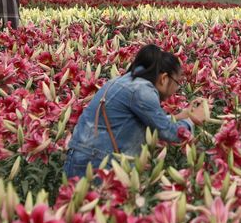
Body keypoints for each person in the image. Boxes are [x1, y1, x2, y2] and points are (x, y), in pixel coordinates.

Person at [64, 44, 208, 178]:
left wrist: (179, 117)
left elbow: (136, 122)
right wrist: (192, 120)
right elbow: (168, 133)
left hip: (80, 157)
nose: (176, 90)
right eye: (177, 83)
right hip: (99, 163)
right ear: (164, 78)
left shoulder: (119, 82)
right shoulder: (142, 90)